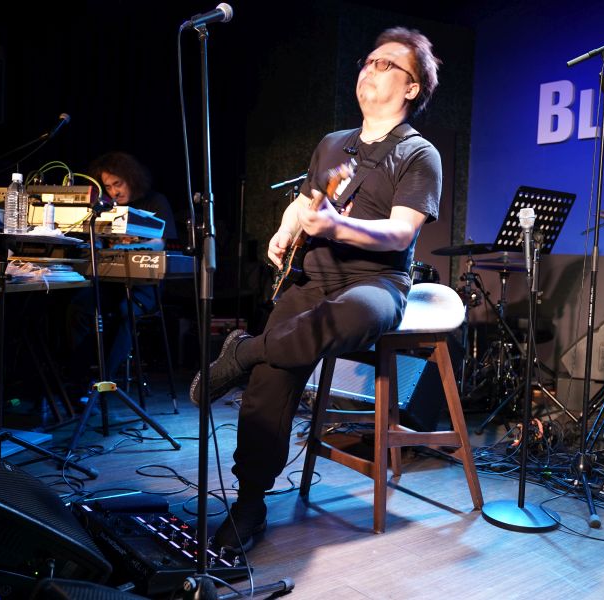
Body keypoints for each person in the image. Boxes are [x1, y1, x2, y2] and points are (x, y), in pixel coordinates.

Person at [190, 27, 442, 552]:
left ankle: (243, 351)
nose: (370, 69)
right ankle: (250, 502)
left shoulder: (419, 154)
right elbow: (306, 204)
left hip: (376, 281)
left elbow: (401, 232)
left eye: (386, 64)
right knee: (271, 379)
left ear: (412, 87)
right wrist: (286, 230)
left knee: (350, 316)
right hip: (315, 277)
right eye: (367, 60)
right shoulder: (332, 143)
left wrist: (338, 227)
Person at [69, 151, 178, 386]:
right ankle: (77, 378)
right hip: (111, 281)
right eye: (108, 187)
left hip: (144, 283)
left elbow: (159, 243)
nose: (114, 192)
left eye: (117, 184)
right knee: (80, 306)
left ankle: (104, 381)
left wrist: (128, 246)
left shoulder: (155, 201)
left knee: (125, 311)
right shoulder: (107, 207)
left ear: (131, 178)